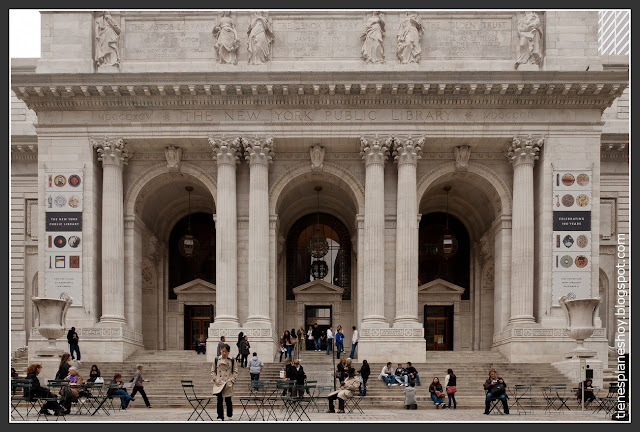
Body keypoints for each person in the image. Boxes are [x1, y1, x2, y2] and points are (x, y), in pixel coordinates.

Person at [211, 343, 238, 421]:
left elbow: (235, 371)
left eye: (226, 351)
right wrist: (215, 379)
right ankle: (220, 416)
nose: (224, 353)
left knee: (228, 400)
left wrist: (232, 380)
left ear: (228, 352)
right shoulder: (216, 359)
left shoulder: (232, 360)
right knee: (219, 400)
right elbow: (213, 371)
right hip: (219, 382)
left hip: (227, 382)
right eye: (222, 351)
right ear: (220, 350)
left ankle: (229, 415)